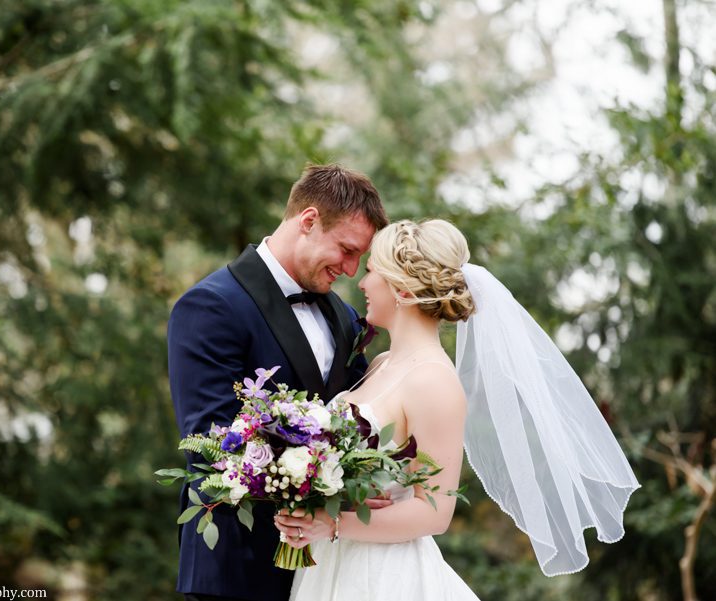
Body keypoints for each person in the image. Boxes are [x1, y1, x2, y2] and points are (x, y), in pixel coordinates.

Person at [274, 219, 640, 600]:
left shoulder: (434, 382)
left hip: (381, 578)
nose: (362, 283)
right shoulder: (382, 363)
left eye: (370, 272)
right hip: (336, 563)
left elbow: (434, 513)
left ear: (400, 287)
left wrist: (333, 523)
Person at [167, 164, 389, 601]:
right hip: (238, 567)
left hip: (328, 571)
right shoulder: (210, 307)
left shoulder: (344, 318)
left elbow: (360, 425)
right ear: (308, 221)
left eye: (359, 257)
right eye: (346, 250)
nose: (350, 269)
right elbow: (213, 444)